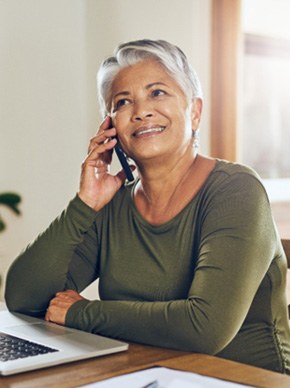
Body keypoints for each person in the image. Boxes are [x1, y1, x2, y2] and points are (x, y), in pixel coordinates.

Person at [5, 39, 290, 374]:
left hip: (244, 379)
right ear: (111, 128)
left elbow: (204, 327)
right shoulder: (114, 204)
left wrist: (81, 312)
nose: (141, 111)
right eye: (123, 102)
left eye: (157, 93)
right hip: (143, 374)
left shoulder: (236, 190)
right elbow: (24, 298)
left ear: (194, 111)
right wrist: (85, 204)